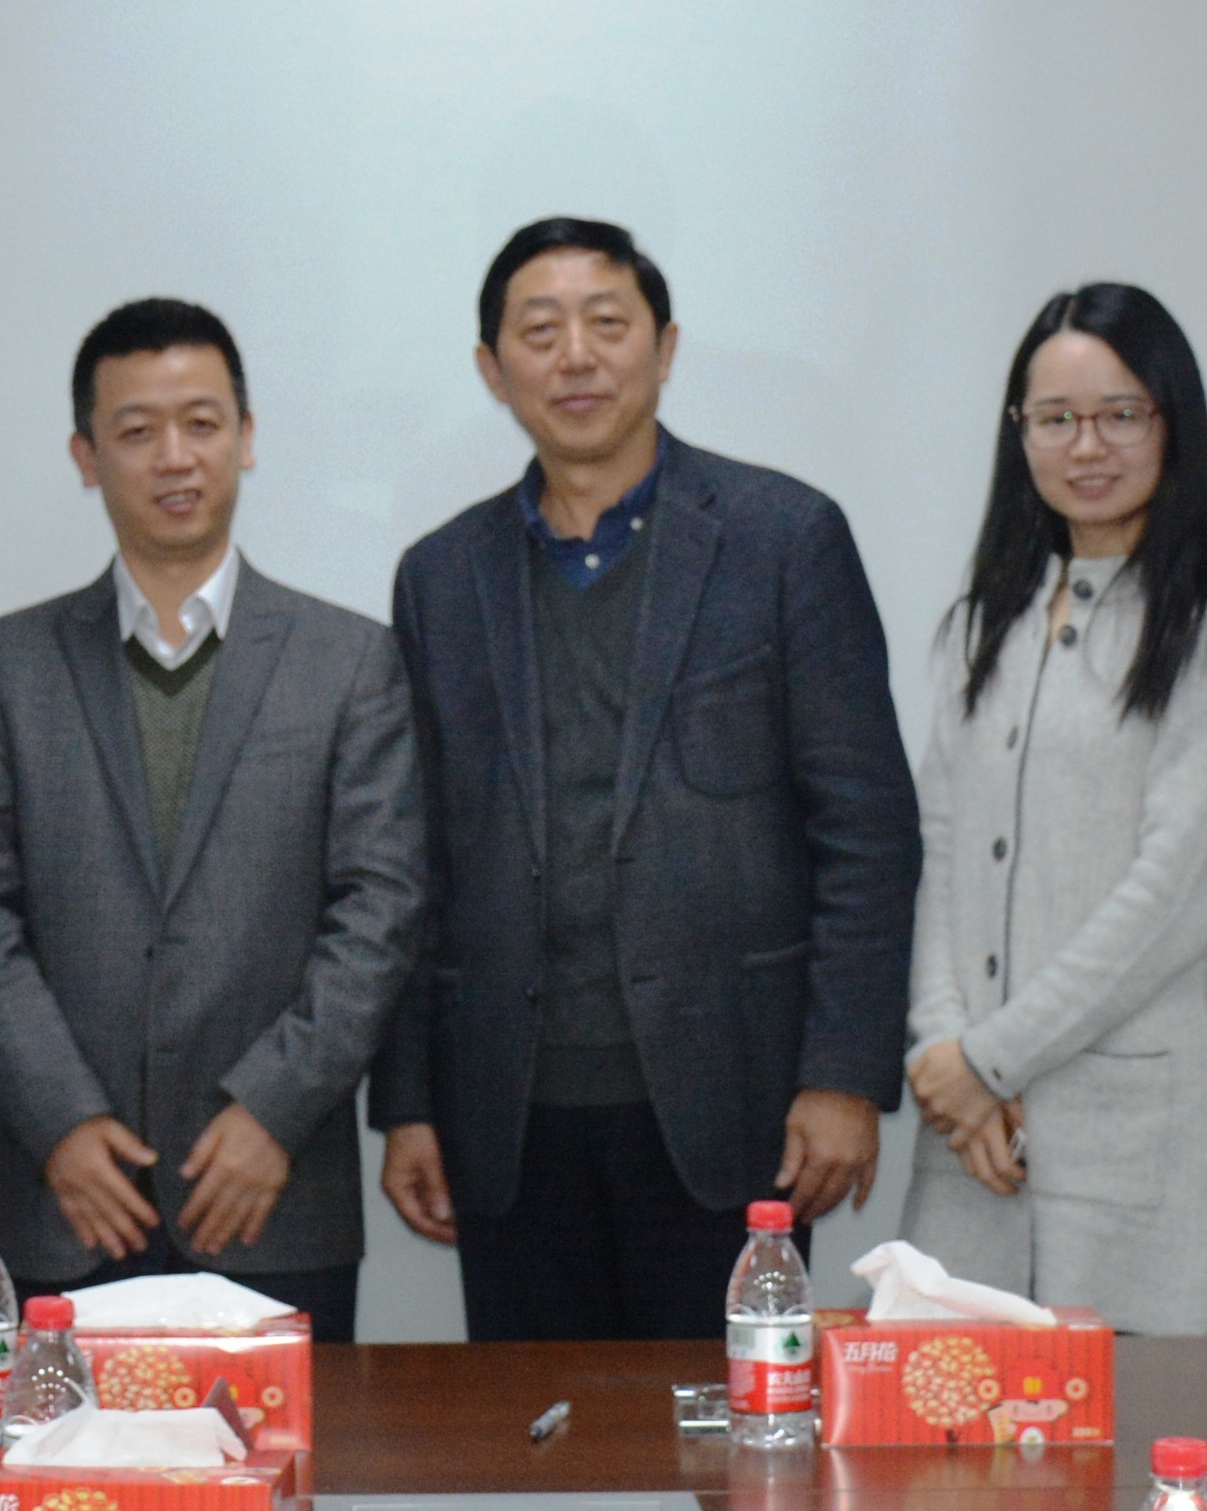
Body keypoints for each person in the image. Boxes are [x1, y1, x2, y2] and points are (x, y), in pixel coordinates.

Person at [371, 217, 921, 1340]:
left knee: (731, 1424)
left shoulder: (784, 538)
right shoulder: (441, 577)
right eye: (539, 332)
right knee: (538, 1428)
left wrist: (843, 1074)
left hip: (737, 1107)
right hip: (508, 1116)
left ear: (663, 347)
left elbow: (866, 830)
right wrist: (410, 1101)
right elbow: (413, 858)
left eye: (607, 323)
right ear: (492, 370)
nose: (575, 356)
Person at [0, 299, 424, 1343]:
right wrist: (62, 1121)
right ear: (86, 455)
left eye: (202, 424)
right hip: (64, 1192)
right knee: (59, 1450)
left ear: (246, 439)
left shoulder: (347, 662)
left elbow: (378, 909)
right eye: (136, 429)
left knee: (275, 1446)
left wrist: (273, 1107)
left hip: (269, 1187)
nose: (174, 457)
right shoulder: (3, 666)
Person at [898, 284, 1207, 1337]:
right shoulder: (980, 624)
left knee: (1120, 1430)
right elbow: (936, 851)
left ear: (1171, 423)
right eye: (1055, 417)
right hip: (971, 1145)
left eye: (1120, 414)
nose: (1086, 445)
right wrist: (943, 1051)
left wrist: (987, 1060)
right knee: (947, 1426)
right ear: (1017, 431)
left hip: (1125, 1145)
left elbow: (1176, 891)